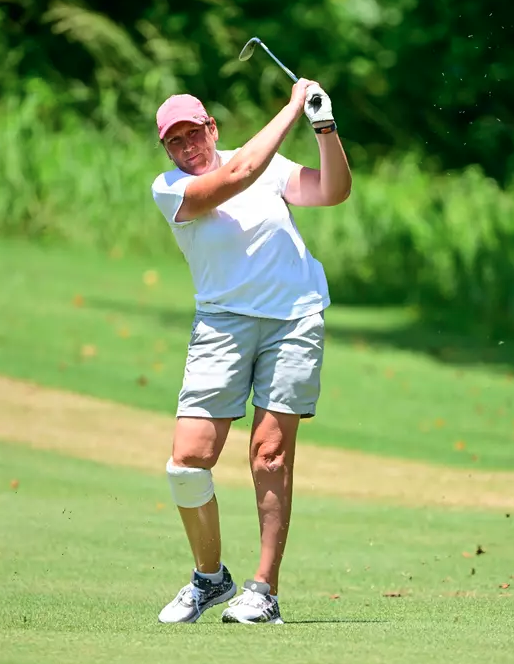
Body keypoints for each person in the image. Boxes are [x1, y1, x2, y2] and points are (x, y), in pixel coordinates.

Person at [149, 77, 351, 625]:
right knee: (188, 461)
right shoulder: (170, 188)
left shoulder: (267, 163)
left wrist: (324, 127)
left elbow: (332, 191)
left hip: (294, 318)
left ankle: (264, 591)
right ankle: (210, 578)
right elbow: (237, 175)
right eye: (175, 141)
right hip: (222, 324)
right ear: (166, 150)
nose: (188, 147)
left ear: (212, 128)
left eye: (194, 133)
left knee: (270, 454)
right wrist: (292, 107)